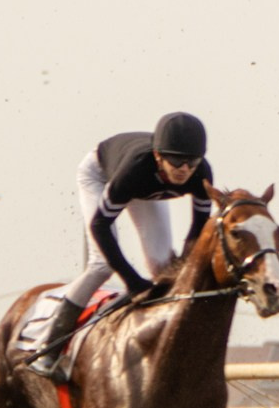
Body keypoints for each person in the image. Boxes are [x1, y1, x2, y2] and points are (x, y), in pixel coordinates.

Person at [28, 112, 215, 381]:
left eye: (192, 161)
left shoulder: (202, 174)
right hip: (100, 175)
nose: (184, 169)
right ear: (158, 156)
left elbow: (197, 229)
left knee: (164, 267)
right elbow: (100, 226)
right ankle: (48, 348)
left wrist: (184, 269)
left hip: (144, 189)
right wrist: (132, 281)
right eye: (176, 160)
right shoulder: (135, 171)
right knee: (101, 265)